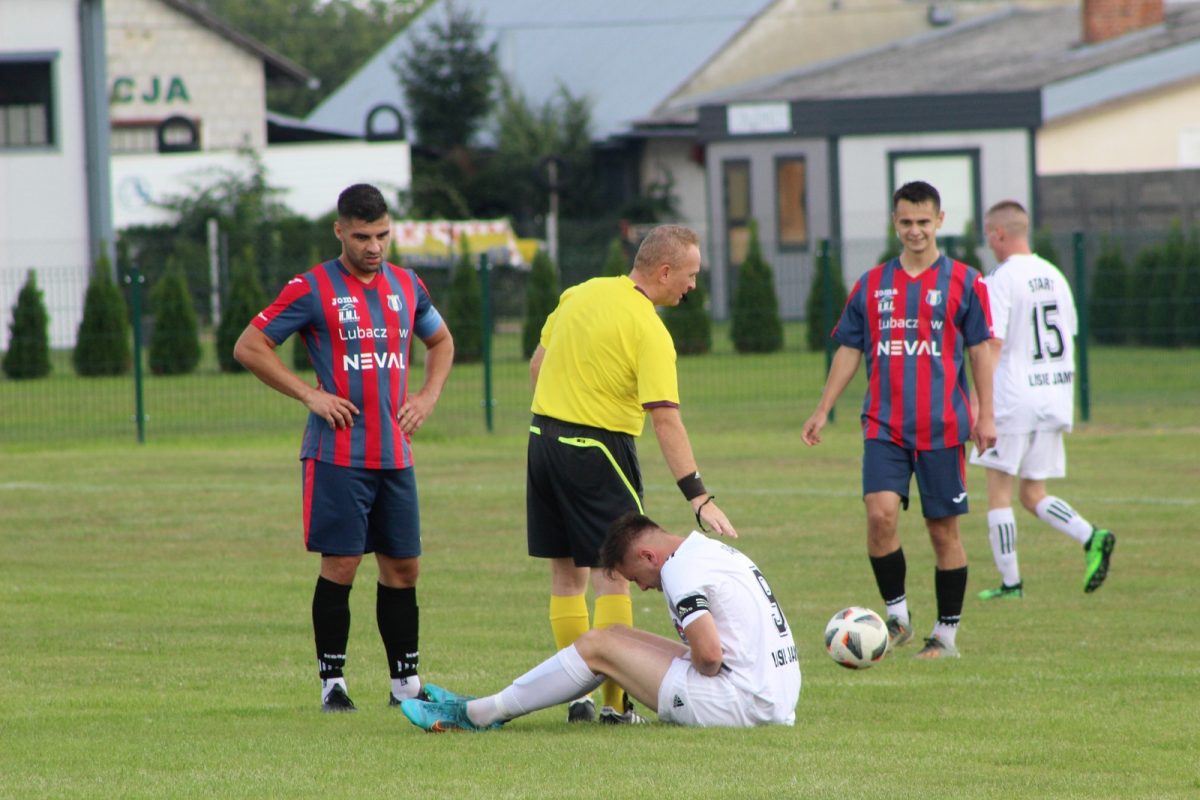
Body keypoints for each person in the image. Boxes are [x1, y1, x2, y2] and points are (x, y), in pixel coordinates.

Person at [233, 183, 455, 712]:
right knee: (342, 565)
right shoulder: (312, 287)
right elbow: (249, 346)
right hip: (338, 456)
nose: (374, 246)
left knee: (404, 568)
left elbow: (441, 341)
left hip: (395, 455)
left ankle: (406, 685)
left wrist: (426, 396)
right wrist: (310, 394)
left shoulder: (406, 283)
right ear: (340, 231)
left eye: (381, 234)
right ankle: (333, 684)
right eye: (362, 236)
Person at [526, 224, 736, 723]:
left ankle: (575, 698)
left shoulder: (579, 293)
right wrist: (699, 497)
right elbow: (666, 419)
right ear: (664, 271)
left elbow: (538, 366)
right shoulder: (649, 330)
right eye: (690, 275)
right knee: (615, 575)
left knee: (565, 577)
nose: (692, 285)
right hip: (598, 449)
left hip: (542, 444)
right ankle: (614, 706)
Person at [801, 180, 997, 660]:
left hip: (944, 427)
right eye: (906, 222)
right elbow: (850, 348)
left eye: (923, 222)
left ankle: (946, 636)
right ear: (895, 222)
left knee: (941, 531)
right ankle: (898, 617)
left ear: (940, 222)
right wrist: (824, 408)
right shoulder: (871, 285)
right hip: (884, 426)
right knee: (880, 515)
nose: (915, 231)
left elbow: (981, 351)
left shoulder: (966, 282)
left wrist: (985, 414)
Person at [398, 512, 800, 731]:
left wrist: (686, 664)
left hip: (742, 704)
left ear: (647, 556)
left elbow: (710, 657)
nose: (642, 588)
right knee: (613, 635)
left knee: (598, 647)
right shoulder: (708, 553)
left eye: (635, 578)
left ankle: (477, 714)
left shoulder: (680, 572)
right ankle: (487, 704)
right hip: (772, 695)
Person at [969, 200, 1115, 599]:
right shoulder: (1054, 275)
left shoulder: (1000, 278)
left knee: (999, 493)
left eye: (988, 234)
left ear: (998, 234)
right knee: (1032, 494)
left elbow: (992, 343)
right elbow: (1068, 337)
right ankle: (1092, 536)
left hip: (1013, 400)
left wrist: (981, 405)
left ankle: (1010, 584)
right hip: (1052, 396)